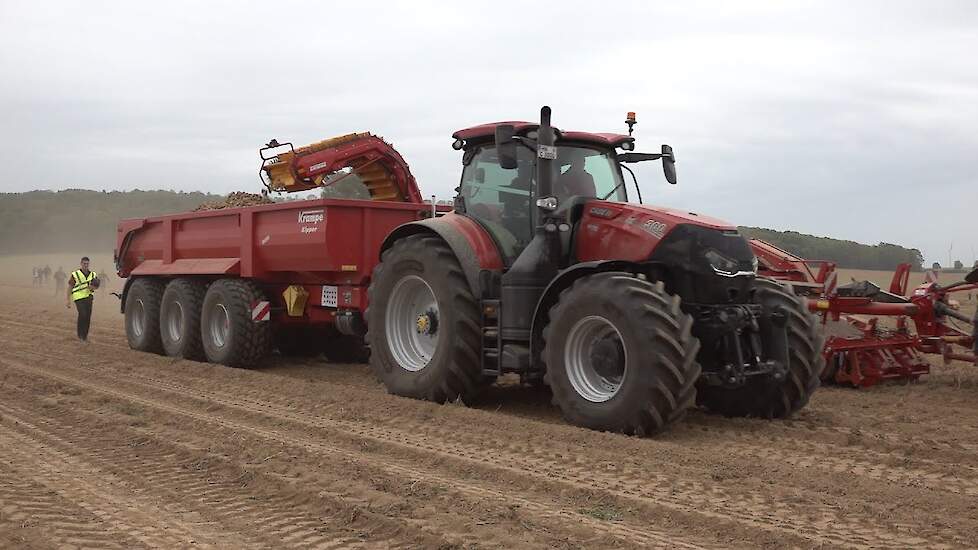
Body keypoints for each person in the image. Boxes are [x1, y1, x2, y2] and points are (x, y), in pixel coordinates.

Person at [65, 256, 100, 342]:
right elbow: (70, 287)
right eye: (84, 264)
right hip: (78, 297)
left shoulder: (93, 275)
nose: (86, 265)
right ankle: (80, 335)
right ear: (81, 264)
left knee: (88, 317)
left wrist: (93, 288)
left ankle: (85, 337)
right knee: (82, 314)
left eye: (87, 264)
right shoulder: (75, 274)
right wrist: (68, 300)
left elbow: (96, 286)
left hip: (89, 297)